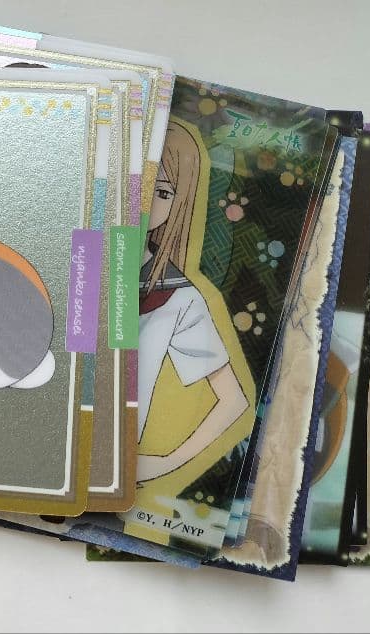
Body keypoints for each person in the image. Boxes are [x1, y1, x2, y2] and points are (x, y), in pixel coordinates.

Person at [137, 120, 250, 482]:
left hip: (101, 463)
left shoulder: (177, 295)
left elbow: (233, 400)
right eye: (138, 180)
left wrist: (165, 462)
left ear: (178, 202)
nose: (144, 200)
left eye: (163, 192)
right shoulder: (80, 254)